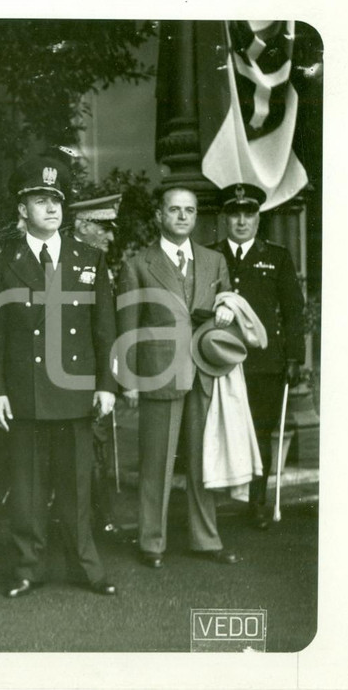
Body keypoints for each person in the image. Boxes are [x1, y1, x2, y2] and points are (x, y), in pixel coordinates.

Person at [0, 158, 118, 600]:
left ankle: (86, 566)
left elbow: (104, 329)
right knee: (26, 489)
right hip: (25, 390)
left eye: (57, 200)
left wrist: (106, 384)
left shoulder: (89, 258)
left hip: (77, 388)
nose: (52, 208)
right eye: (41, 200)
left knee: (78, 486)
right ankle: (28, 567)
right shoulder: (4, 260)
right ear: (22, 208)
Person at [118, 186, 239, 570]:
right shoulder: (138, 264)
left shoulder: (214, 261)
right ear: (160, 215)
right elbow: (127, 327)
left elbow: (228, 306)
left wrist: (227, 310)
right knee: (156, 464)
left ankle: (206, 539)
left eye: (189, 210)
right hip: (159, 373)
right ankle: (152, 541)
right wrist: (129, 380)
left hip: (205, 372)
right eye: (174, 210)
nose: (183, 217)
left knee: (204, 461)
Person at [213, 183, 305, 530]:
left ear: (257, 218)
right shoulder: (211, 255)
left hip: (265, 363)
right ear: (224, 218)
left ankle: (258, 502)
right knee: (221, 430)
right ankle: (216, 504)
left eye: (248, 214)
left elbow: (294, 310)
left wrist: (295, 357)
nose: (241, 221)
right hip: (220, 360)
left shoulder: (276, 256)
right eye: (234, 214)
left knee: (261, 431)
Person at [69, 193, 123, 536]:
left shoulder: (99, 262)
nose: (111, 235)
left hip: (95, 371)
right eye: (104, 227)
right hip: (69, 372)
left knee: (97, 445)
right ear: (82, 225)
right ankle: (85, 520)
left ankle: (98, 518)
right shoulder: (61, 259)